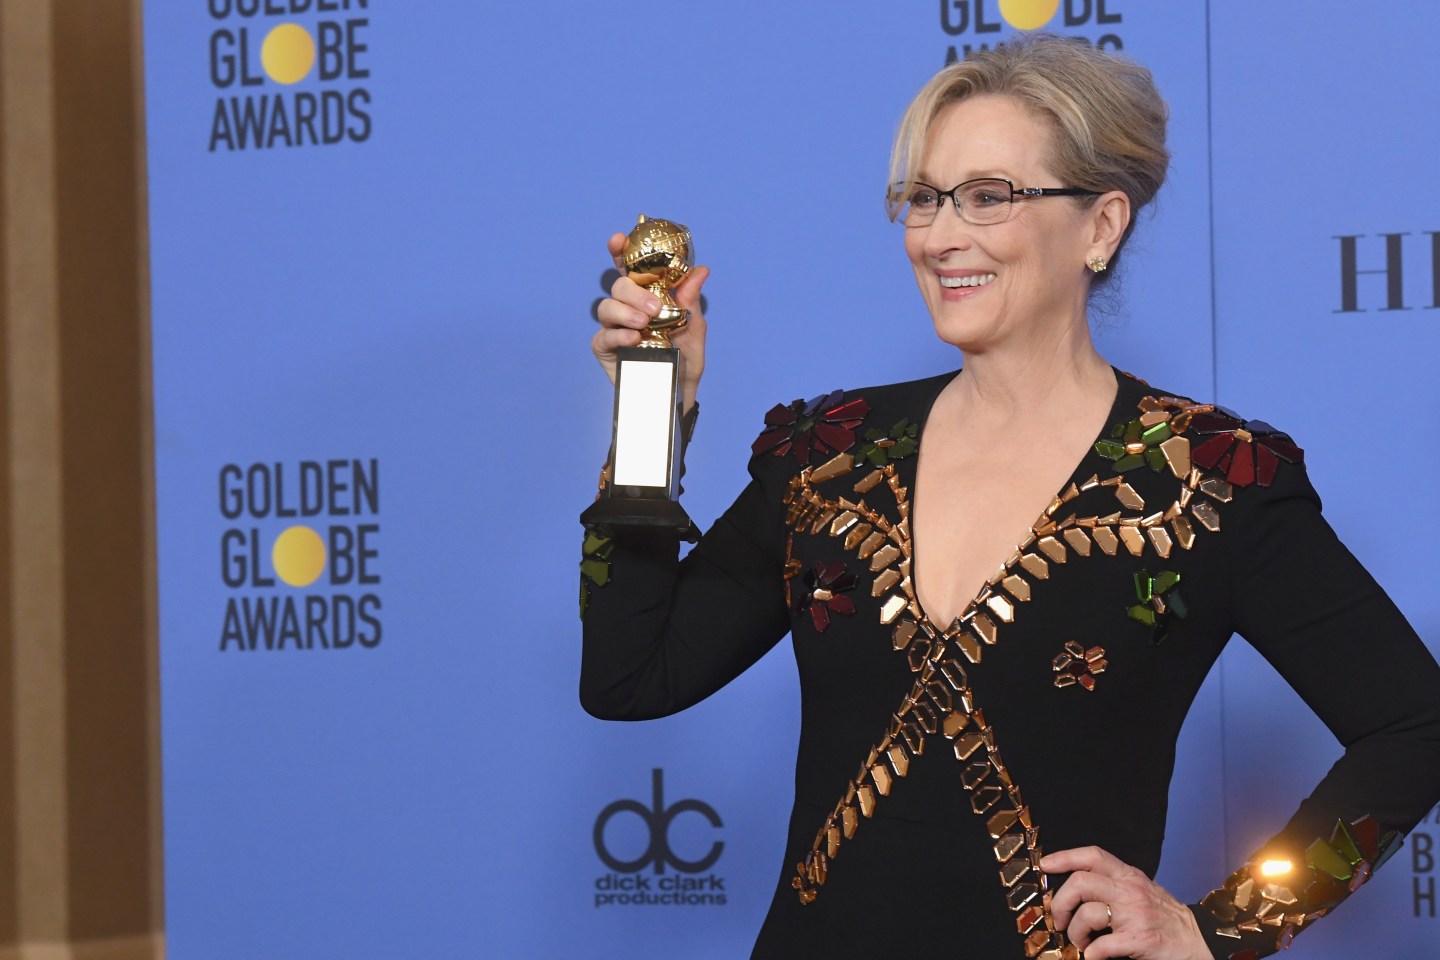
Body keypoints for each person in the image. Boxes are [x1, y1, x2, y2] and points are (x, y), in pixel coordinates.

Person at [579, 35, 1440, 960]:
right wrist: (652, 407)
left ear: (1101, 226)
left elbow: (1414, 725)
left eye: (989, 196)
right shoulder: (829, 454)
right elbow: (632, 679)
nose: (942, 234)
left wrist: (1220, 930)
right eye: (924, 197)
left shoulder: (1207, 478)